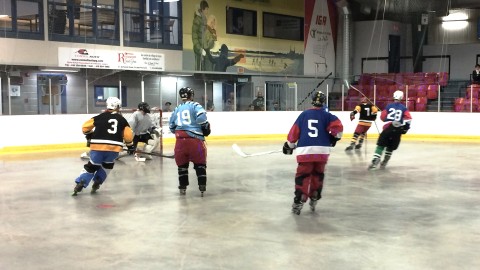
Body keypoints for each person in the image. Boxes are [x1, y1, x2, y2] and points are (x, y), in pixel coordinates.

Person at [282, 91, 343, 215]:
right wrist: (333, 139)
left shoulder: (304, 114)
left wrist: (289, 145)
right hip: (322, 152)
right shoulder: (328, 116)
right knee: (318, 174)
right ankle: (314, 196)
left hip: (305, 152)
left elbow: (294, 133)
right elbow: (338, 130)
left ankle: (299, 200)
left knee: (303, 176)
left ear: (312, 101)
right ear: (324, 102)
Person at [72, 97, 134, 196]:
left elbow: (85, 127)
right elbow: (128, 135)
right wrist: (130, 146)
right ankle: (98, 181)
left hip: (97, 148)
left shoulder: (99, 116)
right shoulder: (122, 120)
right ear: (117, 107)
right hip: (113, 150)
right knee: (107, 165)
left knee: (92, 166)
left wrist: (89, 134)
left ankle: (81, 181)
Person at [169, 87, 211, 197]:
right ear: (191, 95)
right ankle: (202, 186)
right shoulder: (195, 105)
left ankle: (183, 187)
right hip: (195, 141)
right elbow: (202, 118)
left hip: (180, 142)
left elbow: (171, 126)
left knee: (182, 166)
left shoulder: (176, 108)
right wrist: (205, 128)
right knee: (200, 164)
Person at [368, 90, 412, 170]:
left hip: (388, 128)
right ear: (402, 97)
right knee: (390, 147)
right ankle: (385, 161)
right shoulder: (404, 108)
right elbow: (409, 119)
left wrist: (386, 120)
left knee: (381, 145)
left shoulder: (388, 106)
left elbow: (382, 117)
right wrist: (406, 128)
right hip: (398, 129)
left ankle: (375, 160)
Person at [192, 0, 209, 70]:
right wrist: (200, 49)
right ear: (202, 9)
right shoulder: (197, 20)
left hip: (204, 48)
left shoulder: (205, 19)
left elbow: (204, 35)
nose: (207, 11)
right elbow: (194, 36)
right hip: (198, 48)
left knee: (203, 69)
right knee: (198, 69)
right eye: (206, 9)